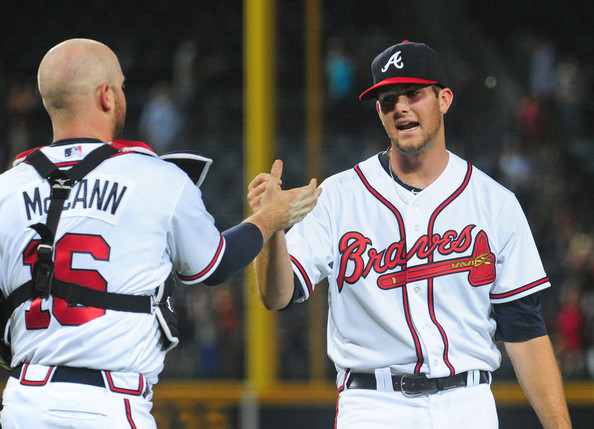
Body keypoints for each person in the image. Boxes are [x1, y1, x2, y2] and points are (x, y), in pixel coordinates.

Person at [248, 40, 572, 428]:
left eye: (414, 94)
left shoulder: (494, 202)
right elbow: (276, 295)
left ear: (444, 99)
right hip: (374, 404)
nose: (400, 107)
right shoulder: (337, 197)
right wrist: (269, 227)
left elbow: (525, 331)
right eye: (388, 100)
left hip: (467, 403)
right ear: (380, 112)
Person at [0, 38, 320, 428]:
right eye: (120, 86)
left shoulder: (6, 189)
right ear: (105, 96)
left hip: (23, 403)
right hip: (110, 403)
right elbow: (215, 266)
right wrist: (271, 218)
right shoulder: (155, 176)